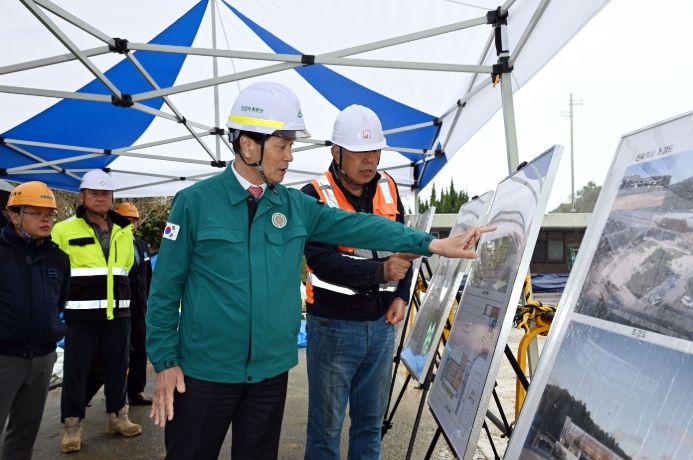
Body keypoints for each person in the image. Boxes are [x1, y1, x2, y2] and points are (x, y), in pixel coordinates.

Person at [146, 81, 492, 460]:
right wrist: (166, 363)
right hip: (204, 372)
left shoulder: (294, 206)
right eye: (283, 146)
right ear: (249, 146)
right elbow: (164, 291)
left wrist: (431, 244)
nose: (290, 156)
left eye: (290, 146)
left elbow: (361, 226)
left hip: (269, 374)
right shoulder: (194, 204)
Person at [301, 104, 416, 459]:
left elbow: (406, 246)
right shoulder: (314, 195)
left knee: (369, 427)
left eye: (375, 152)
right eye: (359, 152)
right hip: (333, 327)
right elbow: (322, 262)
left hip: (382, 326)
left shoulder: (388, 187)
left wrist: (401, 295)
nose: (369, 161)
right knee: (326, 431)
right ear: (336, 153)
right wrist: (380, 273)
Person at [52, 169, 142, 453]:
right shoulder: (63, 230)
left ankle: (118, 416)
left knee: (117, 367)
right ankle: (71, 426)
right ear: (83, 196)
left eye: (105, 193)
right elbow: (54, 271)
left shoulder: (124, 230)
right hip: (81, 316)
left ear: (112, 196)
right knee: (76, 372)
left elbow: (125, 268)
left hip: (119, 314)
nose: (100, 198)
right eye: (94, 193)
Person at [0, 182, 70, 460]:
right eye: (36, 213)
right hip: (5, 358)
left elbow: (59, 302)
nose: (45, 220)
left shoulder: (59, 259)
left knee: (25, 434)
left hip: (42, 358)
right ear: (14, 216)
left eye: (49, 214)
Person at [114, 202, 153, 406]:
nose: (130, 224)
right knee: (119, 352)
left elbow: (148, 276)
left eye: (133, 221)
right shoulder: (111, 244)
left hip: (140, 307)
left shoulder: (141, 245)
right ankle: (115, 395)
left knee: (139, 349)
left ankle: (136, 391)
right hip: (119, 307)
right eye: (126, 220)